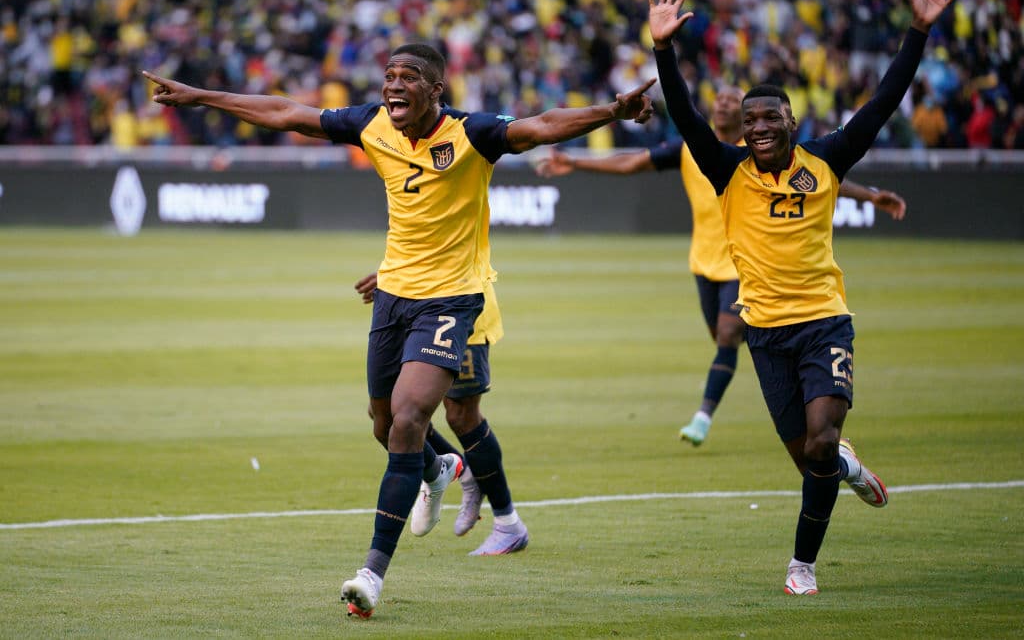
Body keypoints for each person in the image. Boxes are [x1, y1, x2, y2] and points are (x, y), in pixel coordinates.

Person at [143, 44, 655, 619]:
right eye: (389, 75)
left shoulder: (472, 134)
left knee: (413, 418)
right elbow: (285, 112)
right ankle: (440, 469)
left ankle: (371, 574)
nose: (394, 85)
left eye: (408, 76)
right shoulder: (372, 124)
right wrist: (199, 96)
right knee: (383, 426)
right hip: (392, 298)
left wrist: (612, 111)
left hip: (452, 301)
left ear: (436, 90)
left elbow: (541, 127)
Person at [647, 0, 956, 595]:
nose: (757, 127)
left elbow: (882, 104)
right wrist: (662, 49)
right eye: (749, 120)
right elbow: (683, 113)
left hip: (823, 323)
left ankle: (801, 566)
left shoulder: (825, 159)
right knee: (810, 460)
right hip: (764, 332)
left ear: (792, 120)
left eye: (770, 118)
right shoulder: (727, 170)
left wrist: (918, 32)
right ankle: (843, 466)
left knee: (821, 436)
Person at [533, 92, 908, 447]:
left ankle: (705, 415)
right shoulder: (696, 151)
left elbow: (817, 179)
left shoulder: (759, 155)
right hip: (703, 263)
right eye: (721, 100)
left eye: (733, 100)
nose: (725, 104)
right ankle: (807, 402)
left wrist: (871, 195)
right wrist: (576, 161)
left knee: (729, 335)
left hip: (745, 268)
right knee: (723, 341)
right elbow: (633, 162)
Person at [354, 269, 526, 557]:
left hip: (460, 301)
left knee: (461, 415)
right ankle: (460, 472)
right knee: (390, 411)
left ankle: (508, 524)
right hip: (416, 299)